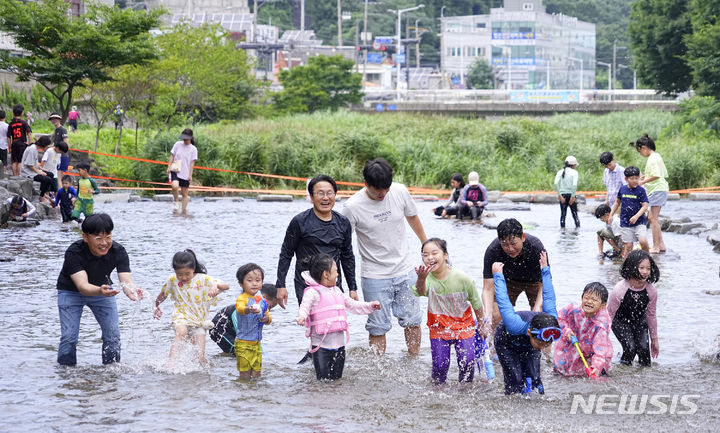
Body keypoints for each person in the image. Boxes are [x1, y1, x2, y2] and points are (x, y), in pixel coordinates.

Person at [341, 157, 427, 355]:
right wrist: (350, 284)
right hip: (375, 276)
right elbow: (344, 247)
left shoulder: (399, 191)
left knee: (413, 321)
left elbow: (412, 217)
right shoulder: (352, 207)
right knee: (378, 326)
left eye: (386, 188)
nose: (382, 193)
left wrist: (426, 245)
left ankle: (413, 361)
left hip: (406, 269)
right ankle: (377, 372)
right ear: (366, 184)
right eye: (377, 190)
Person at [56, 213, 144, 366]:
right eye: (98, 238)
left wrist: (131, 290)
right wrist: (100, 291)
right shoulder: (74, 252)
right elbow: (82, 286)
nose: (105, 243)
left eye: (108, 237)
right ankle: (66, 374)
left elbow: (126, 279)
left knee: (113, 335)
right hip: (70, 292)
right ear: (85, 237)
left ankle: (111, 372)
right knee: (69, 337)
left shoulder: (118, 251)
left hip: (103, 291)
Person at [276, 174, 356, 309]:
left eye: (329, 193)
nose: (325, 198)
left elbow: (347, 256)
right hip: (307, 285)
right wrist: (281, 285)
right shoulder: (299, 222)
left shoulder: (343, 223)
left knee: (336, 322)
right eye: (320, 193)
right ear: (312, 197)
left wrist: (352, 288)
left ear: (335, 195)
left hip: (334, 284)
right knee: (314, 323)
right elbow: (286, 253)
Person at [296, 254, 381, 380]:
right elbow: (304, 306)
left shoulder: (337, 291)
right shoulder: (312, 292)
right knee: (323, 381)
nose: (337, 275)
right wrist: (301, 316)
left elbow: (353, 305)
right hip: (321, 346)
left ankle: (337, 399)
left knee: (337, 380)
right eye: (335, 271)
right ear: (326, 274)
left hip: (339, 346)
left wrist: (370, 306)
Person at [413, 238, 483, 385]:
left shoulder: (462, 278)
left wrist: (482, 325)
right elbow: (420, 292)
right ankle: (438, 396)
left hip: (464, 326)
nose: (430, 258)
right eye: (425, 255)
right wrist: (421, 278)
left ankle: (465, 392)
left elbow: (476, 303)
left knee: (467, 364)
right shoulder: (427, 278)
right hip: (439, 328)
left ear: (446, 255)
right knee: (439, 367)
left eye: (434, 253)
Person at [493, 251, 559, 395]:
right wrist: (498, 275)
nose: (544, 347)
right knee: (515, 380)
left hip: (529, 344)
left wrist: (545, 269)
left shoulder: (551, 322)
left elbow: (549, 297)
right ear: (530, 332)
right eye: (541, 344)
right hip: (506, 342)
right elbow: (504, 303)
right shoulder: (514, 324)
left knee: (535, 381)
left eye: (547, 344)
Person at [153, 249, 229, 364]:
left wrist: (215, 285)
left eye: (187, 274)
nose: (183, 278)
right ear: (175, 271)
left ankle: (198, 375)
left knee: (200, 358)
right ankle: (170, 363)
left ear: (193, 269)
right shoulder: (172, 280)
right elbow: (163, 294)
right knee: (182, 332)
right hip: (181, 316)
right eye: (180, 274)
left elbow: (226, 286)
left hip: (199, 320)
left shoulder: (203, 279)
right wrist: (156, 306)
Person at [481, 218, 548, 332]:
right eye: (505, 244)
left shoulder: (536, 248)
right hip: (507, 281)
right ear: (499, 240)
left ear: (523, 237)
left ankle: (539, 348)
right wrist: (487, 314)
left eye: (513, 243)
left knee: (539, 317)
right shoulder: (493, 250)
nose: (510, 249)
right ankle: (495, 348)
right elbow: (488, 288)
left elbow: (545, 284)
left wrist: (537, 307)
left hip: (534, 282)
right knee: (496, 315)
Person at [607, 250, 660, 367]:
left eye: (648, 268)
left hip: (640, 322)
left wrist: (654, 339)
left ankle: (644, 379)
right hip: (619, 321)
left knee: (644, 350)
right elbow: (609, 315)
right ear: (631, 267)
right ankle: (624, 374)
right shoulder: (619, 290)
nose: (645, 272)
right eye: (641, 268)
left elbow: (651, 315)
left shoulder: (651, 291)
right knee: (630, 348)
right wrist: (602, 337)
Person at [553, 282, 613, 376]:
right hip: (570, 343)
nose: (589, 302)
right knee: (561, 372)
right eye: (586, 298)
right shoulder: (573, 309)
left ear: (603, 305)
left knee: (586, 374)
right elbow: (558, 318)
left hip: (590, 351)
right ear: (581, 298)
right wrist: (566, 331)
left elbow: (600, 349)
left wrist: (596, 367)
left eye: (594, 300)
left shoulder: (601, 324)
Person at [209, 283, 278, 355]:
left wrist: (267, 319)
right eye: (269, 307)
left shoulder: (262, 310)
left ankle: (225, 361)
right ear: (262, 298)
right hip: (218, 328)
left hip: (232, 328)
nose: (267, 309)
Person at [234, 263, 273, 379]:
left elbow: (268, 316)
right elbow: (240, 309)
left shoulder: (261, 300)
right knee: (245, 374)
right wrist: (248, 309)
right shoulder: (242, 298)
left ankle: (255, 395)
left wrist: (267, 319)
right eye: (249, 280)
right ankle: (244, 394)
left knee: (257, 374)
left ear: (262, 282)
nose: (254, 283)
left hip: (257, 345)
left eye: (258, 280)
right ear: (241, 284)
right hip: (243, 344)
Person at [632, 134, 669, 253]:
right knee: (653, 218)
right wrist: (645, 177)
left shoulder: (652, 158)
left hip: (657, 189)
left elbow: (657, 175)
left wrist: (643, 181)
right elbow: (659, 173)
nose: (640, 154)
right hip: (659, 188)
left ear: (643, 148)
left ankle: (656, 247)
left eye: (639, 151)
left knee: (653, 218)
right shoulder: (656, 156)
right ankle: (661, 245)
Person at [610, 166, 649, 258]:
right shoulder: (622, 189)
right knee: (628, 246)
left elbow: (645, 206)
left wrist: (636, 216)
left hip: (639, 221)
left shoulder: (641, 190)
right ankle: (627, 265)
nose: (635, 180)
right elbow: (617, 202)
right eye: (632, 178)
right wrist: (611, 214)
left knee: (642, 241)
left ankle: (648, 258)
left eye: (636, 178)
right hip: (625, 222)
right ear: (626, 179)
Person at [167, 128, 197, 214]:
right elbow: (172, 156)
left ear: (190, 138)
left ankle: (183, 211)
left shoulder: (193, 149)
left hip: (185, 172)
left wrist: (190, 175)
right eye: (183, 138)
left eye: (186, 138)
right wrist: (169, 166)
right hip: (175, 169)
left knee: (184, 194)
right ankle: (176, 201)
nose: (184, 140)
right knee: (175, 186)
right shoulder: (177, 144)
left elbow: (192, 163)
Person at [20, 135, 55, 202]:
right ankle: (41, 196)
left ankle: (43, 193)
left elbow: (33, 163)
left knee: (50, 174)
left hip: (33, 170)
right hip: (27, 173)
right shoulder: (32, 149)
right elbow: (29, 164)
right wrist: (38, 172)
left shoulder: (35, 148)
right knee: (47, 179)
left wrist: (41, 169)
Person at [554, 155, 580, 228]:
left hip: (563, 196)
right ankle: (577, 229)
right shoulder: (575, 173)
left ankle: (562, 231)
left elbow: (555, 183)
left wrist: (559, 195)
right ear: (573, 165)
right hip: (571, 195)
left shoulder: (560, 172)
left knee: (563, 215)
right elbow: (574, 185)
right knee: (575, 214)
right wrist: (573, 196)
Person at [7, 104, 32, 177]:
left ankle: (15, 176)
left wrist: (9, 146)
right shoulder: (24, 123)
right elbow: (29, 133)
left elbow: (8, 137)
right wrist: (29, 143)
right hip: (22, 144)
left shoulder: (11, 124)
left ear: (13, 113)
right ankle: (19, 176)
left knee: (14, 161)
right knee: (20, 161)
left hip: (14, 144)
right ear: (22, 113)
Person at [0, 109, 8, 175]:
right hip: (4, 145)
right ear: (5, 117)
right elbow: (8, 137)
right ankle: (4, 174)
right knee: (4, 162)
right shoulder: (7, 126)